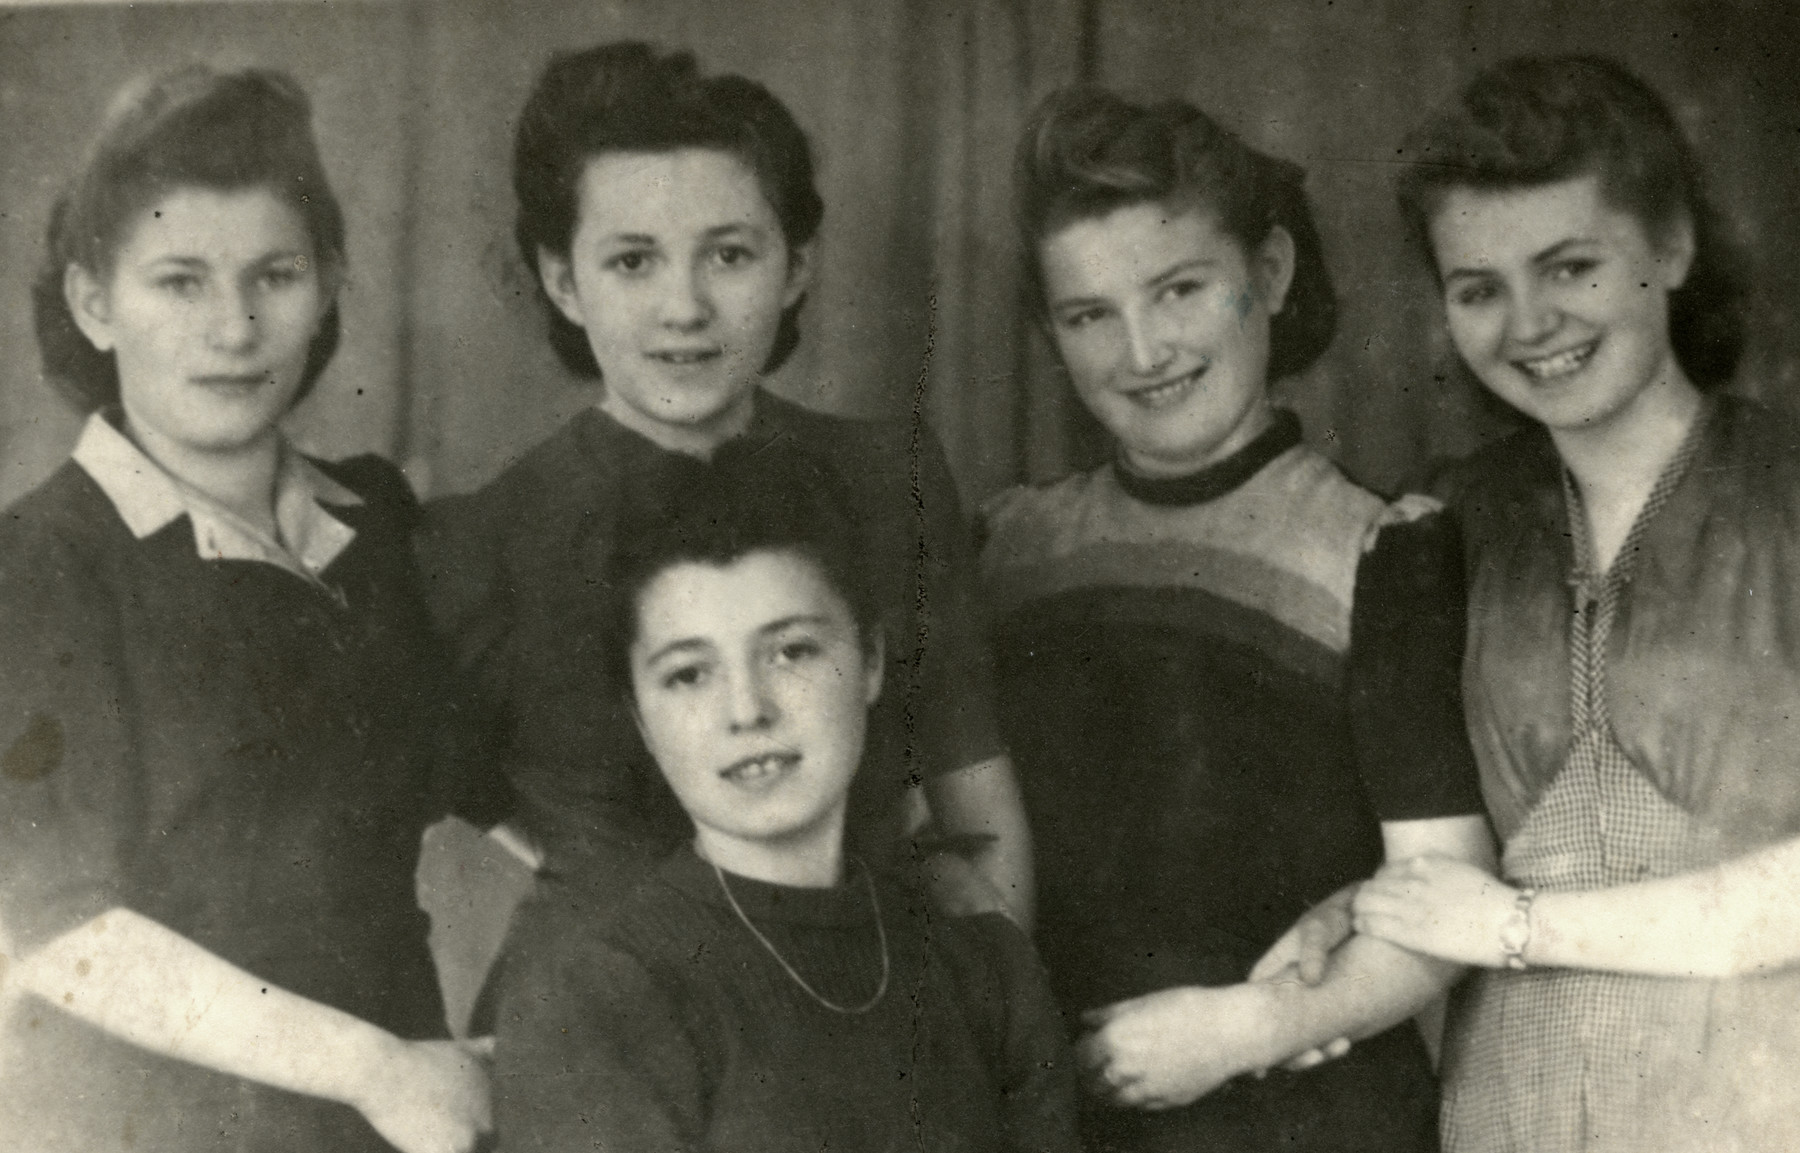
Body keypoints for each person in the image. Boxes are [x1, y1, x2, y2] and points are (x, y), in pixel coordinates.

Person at [0, 67, 513, 1153]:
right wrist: (375, 1068)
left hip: (399, 1104)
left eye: (273, 274)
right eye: (179, 281)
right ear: (95, 301)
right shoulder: (41, 567)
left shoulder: (370, 521)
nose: (233, 327)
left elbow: (484, 769)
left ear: (328, 283)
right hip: (148, 1120)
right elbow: (55, 927)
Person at [979, 86, 1495, 1152]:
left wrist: (1243, 1029)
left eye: (1178, 290)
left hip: (1307, 1121)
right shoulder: (1009, 548)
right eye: (1089, 316)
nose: (1141, 350)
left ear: (1268, 273)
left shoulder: (1383, 550)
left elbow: (1447, 891)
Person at [419, 41, 1032, 924]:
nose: (685, 308)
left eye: (729, 255)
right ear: (563, 280)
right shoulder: (482, 540)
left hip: (865, 994)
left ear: (798, 267)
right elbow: (470, 794)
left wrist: (996, 1033)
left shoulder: (887, 479)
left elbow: (979, 811)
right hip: (619, 1020)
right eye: (633, 261)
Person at [1343, 54, 1800, 1152]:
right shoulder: (1444, 527)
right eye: (1478, 289)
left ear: (1674, 247)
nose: (1531, 323)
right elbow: (1436, 871)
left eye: (1572, 266)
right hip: (1516, 1107)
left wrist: (1516, 924)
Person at [490, 446, 1078, 1152]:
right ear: (641, 717)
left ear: (869, 662)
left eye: (790, 651)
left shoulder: (987, 965)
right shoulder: (601, 994)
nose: (747, 709)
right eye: (688, 674)